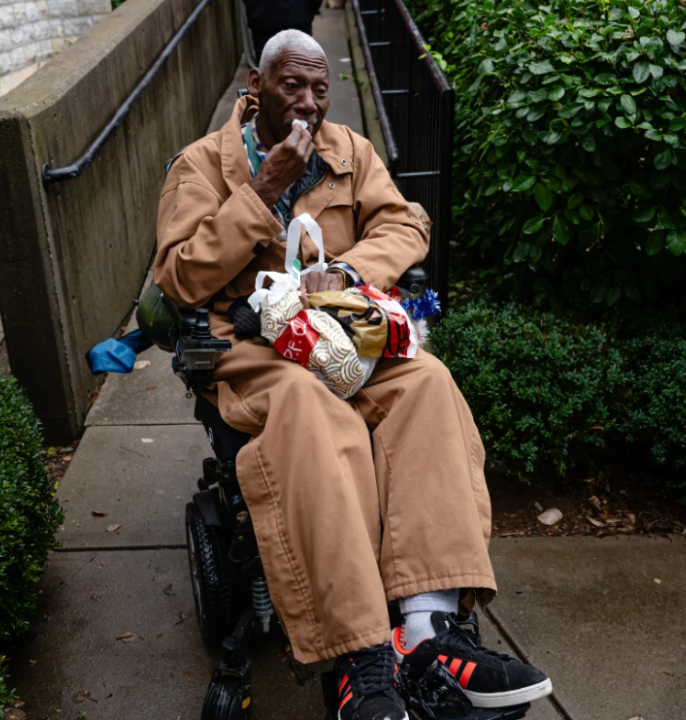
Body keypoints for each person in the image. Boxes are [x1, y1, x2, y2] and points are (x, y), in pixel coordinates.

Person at [154, 30, 552, 720]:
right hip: (257, 351)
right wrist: (262, 191)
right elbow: (179, 277)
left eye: (319, 88)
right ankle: (360, 661)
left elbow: (405, 223)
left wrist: (349, 271)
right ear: (256, 84)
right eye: (291, 87)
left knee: (427, 384)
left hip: (341, 336)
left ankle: (429, 630)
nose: (308, 103)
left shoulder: (350, 152)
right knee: (318, 416)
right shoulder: (199, 166)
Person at [244, 0, 321, 59]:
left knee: (267, 69)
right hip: (297, 18)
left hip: (262, 21)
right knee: (299, 66)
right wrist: (312, 9)